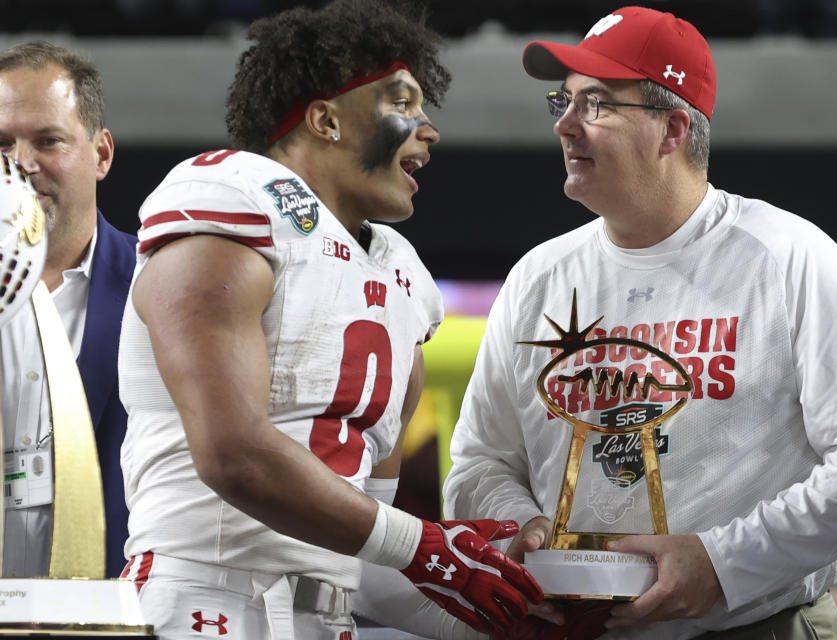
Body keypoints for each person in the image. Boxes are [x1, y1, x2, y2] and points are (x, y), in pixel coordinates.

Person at [442, 5, 837, 638]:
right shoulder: (538, 276)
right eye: (561, 102)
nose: (565, 125)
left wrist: (724, 564)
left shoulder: (788, 257)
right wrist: (520, 530)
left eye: (595, 104)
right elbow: (480, 464)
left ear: (671, 130)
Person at [116, 2, 541, 639]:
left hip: (330, 621)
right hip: (203, 601)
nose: (429, 131)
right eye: (403, 102)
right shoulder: (234, 198)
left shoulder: (403, 277)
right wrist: (426, 546)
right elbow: (235, 455)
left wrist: (508, 614)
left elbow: (365, 546)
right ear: (325, 119)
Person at [0, 41, 136, 578]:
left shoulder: (164, 291)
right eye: (1, 143)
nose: (20, 164)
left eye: (48, 140)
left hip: (115, 608)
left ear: (101, 154)